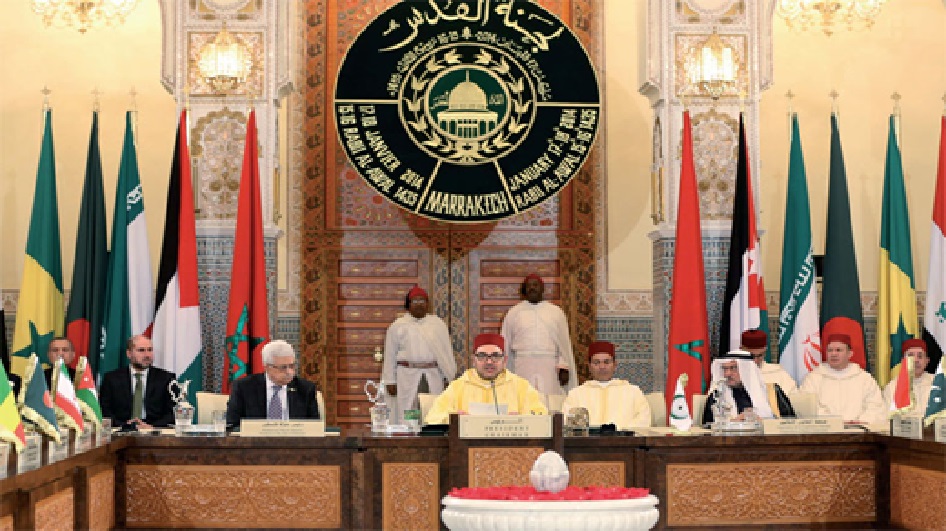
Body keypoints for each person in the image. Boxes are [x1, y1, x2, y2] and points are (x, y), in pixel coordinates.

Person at [425, 333, 548, 424]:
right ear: (474, 360)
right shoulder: (458, 386)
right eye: (482, 356)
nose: (489, 362)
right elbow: (433, 418)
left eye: (495, 356)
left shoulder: (521, 386)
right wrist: (455, 419)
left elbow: (541, 416)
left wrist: (520, 420)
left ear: (504, 360)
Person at [382, 285, 456, 424]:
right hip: (407, 375)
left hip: (432, 374)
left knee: (431, 406)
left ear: (427, 304)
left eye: (422, 301)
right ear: (408, 304)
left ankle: (429, 431)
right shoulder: (398, 326)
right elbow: (390, 355)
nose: (419, 304)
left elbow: (445, 353)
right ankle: (412, 431)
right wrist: (390, 381)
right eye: (415, 301)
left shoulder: (437, 324)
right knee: (410, 408)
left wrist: (448, 376)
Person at [500, 273, 577, 397]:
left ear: (542, 288)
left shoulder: (556, 312)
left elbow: (564, 344)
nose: (532, 288)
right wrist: (505, 371)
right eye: (529, 286)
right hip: (522, 365)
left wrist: (564, 366)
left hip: (550, 366)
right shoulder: (514, 312)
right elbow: (505, 343)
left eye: (535, 285)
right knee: (523, 398)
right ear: (524, 290)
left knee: (550, 400)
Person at [226, 339, 320, 425]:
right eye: (283, 367)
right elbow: (232, 425)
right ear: (267, 367)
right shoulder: (244, 388)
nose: (289, 372)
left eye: (292, 366)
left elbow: (314, 427)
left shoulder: (305, 389)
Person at [561, 341, 651, 428]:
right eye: (596, 362)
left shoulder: (633, 391)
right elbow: (566, 421)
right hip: (588, 438)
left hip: (623, 438)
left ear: (615, 365)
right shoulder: (576, 394)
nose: (602, 367)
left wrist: (621, 433)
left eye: (606, 362)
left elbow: (644, 419)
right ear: (589, 366)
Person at [800, 333, 886, 424]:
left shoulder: (865, 379)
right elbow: (807, 407)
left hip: (858, 430)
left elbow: (875, 407)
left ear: (850, 354)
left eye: (838, 350)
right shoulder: (814, 378)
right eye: (830, 350)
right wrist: (833, 422)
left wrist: (858, 422)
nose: (833, 354)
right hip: (824, 430)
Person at [100, 335, 176, 429]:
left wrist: (152, 426)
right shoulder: (111, 379)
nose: (147, 355)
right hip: (121, 430)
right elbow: (104, 411)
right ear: (129, 354)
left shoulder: (166, 378)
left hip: (154, 430)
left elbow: (172, 412)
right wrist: (125, 426)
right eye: (141, 350)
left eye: (150, 350)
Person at [703, 349, 795, 424]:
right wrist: (733, 424)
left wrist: (763, 423)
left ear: (747, 370)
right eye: (724, 369)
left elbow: (791, 423)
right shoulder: (717, 397)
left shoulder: (772, 392)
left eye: (733, 368)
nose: (727, 374)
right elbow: (707, 428)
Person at [882, 338, 934, 412]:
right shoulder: (892, 388)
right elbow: (887, 416)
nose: (916, 360)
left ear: (927, 361)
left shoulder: (939, 383)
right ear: (903, 361)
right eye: (911, 356)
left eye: (920, 356)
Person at [741, 329, 798, 394]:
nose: (755, 361)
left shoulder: (778, 373)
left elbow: (793, 397)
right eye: (751, 356)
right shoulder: (732, 371)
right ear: (741, 350)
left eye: (760, 355)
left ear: (765, 351)